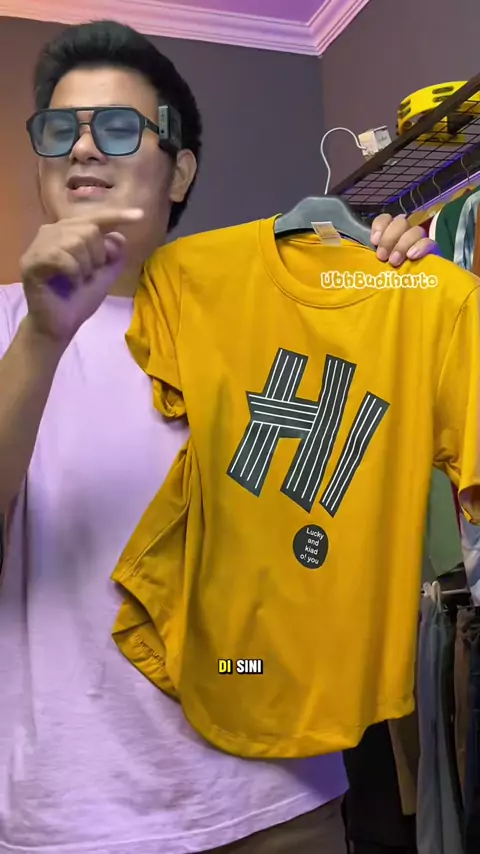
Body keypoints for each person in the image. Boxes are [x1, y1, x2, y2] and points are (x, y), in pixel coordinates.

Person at [0, 19, 438, 854]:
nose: (82, 147)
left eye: (117, 126)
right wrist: (43, 340)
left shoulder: (286, 315)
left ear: (180, 169)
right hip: (77, 816)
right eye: (61, 130)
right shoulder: (9, 328)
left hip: (279, 799)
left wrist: (395, 289)